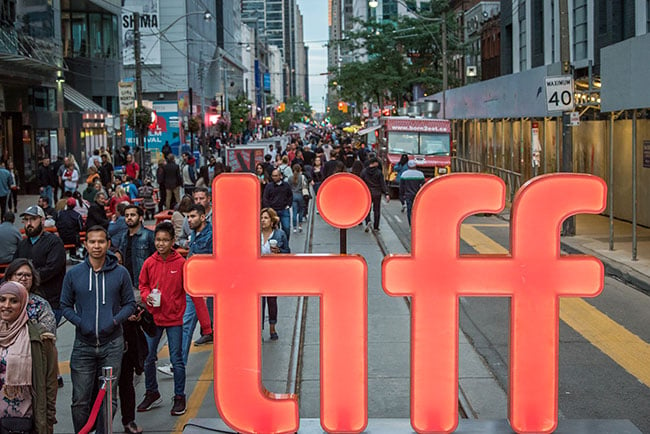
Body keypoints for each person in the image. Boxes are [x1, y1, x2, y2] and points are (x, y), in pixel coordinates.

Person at [60, 226, 136, 434]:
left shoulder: (121, 273)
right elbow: (65, 305)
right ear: (85, 245)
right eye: (92, 242)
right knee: (80, 399)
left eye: (101, 242)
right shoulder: (74, 274)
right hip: (83, 345)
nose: (96, 246)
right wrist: (80, 322)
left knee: (109, 398)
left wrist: (114, 321)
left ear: (108, 244)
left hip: (112, 344)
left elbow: (130, 303)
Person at [138, 222, 187, 416]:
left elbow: (188, 289)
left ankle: (179, 396)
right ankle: (152, 392)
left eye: (165, 240)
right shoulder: (149, 262)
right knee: (148, 357)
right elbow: (143, 285)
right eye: (158, 240)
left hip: (174, 318)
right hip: (153, 317)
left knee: (177, 359)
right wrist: (146, 296)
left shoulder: (181, 263)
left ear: (173, 241)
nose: (161, 244)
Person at [114, 204, 154, 434]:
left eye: (132, 215)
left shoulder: (147, 236)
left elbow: (151, 262)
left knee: (144, 333)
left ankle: (142, 363)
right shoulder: (121, 237)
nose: (129, 218)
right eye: (126, 215)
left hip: (141, 289)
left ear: (139, 217)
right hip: (127, 292)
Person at [0, 281, 58, 434]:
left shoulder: (40, 338)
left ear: (23, 303)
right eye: (2, 299)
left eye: (14, 301)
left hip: (25, 421)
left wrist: (48, 419)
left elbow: (50, 383)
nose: (6, 305)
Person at [14, 205, 66, 325]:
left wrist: (29, 278)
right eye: (26, 220)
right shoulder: (22, 244)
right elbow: (14, 267)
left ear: (42, 221)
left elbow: (52, 268)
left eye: (33, 219)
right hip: (25, 301)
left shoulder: (54, 242)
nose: (29, 223)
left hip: (50, 301)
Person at [5, 258, 57, 335]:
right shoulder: (2, 302)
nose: (23, 278)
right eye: (19, 274)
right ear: (9, 278)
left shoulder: (41, 304)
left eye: (28, 275)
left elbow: (48, 333)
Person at [260, 208, 289, 341]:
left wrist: (279, 251)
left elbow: (287, 252)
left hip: (272, 272)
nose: (263, 221)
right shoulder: (254, 234)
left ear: (272, 221)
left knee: (271, 300)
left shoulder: (279, 234)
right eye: (261, 218)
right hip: (257, 271)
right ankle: (258, 329)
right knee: (257, 302)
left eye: (266, 218)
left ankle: (272, 327)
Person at [360, 158, 390, 233]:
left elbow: (361, 182)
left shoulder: (364, 172)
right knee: (376, 210)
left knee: (367, 209)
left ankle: (368, 221)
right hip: (377, 193)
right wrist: (386, 193)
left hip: (367, 192)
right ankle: (376, 226)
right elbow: (382, 183)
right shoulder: (379, 172)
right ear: (374, 163)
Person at [262, 169, 293, 241]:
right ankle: (276, 244)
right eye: (273, 176)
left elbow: (290, 195)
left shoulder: (286, 185)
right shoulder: (269, 186)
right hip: (273, 211)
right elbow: (265, 198)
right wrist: (269, 209)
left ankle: (285, 243)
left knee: (286, 228)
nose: (274, 177)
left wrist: (288, 205)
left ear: (280, 176)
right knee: (274, 229)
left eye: (276, 176)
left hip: (284, 210)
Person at [399, 160, 426, 227]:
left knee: (409, 210)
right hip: (418, 195)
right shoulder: (420, 174)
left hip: (408, 195)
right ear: (415, 165)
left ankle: (411, 225)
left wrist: (402, 197)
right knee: (418, 210)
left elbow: (401, 187)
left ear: (408, 166)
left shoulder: (404, 174)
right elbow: (423, 186)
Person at [288, 164, 307, 233]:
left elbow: (288, 187)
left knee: (294, 212)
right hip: (301, 195)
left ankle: (294, 227)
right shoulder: (302, 177)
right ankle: (300, 225)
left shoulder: (290, 178)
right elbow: (305, 185)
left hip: (293, 195)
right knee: (301, 210)